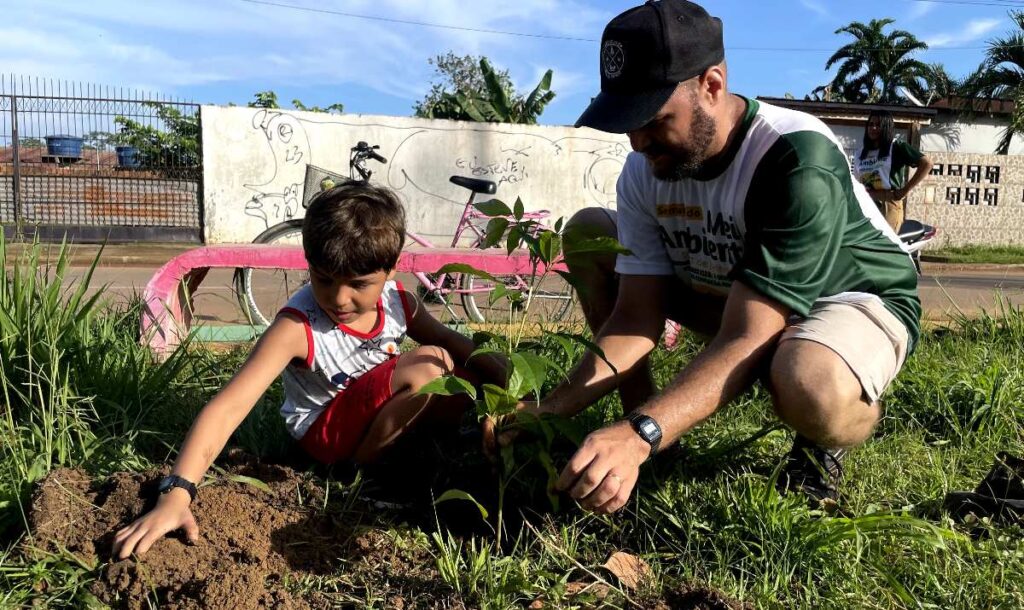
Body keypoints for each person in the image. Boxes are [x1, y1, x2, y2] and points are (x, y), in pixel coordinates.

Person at [502, 0, 921, 512]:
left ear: (713, 85)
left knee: (807, 380)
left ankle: (827, 434)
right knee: (591, 232)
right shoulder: (644, 172)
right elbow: (634, 318)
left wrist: (640, 435)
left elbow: (749, 334)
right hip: (739, 293)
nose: (637, 142)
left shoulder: (793, 159)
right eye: (628, 123)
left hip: (849, 298)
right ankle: (648, 434)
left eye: (654, 120)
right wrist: (547, 409)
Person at [112, 181, 504, 559]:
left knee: (461, 380)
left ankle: (432, 458)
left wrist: (516, 393)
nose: (339, 297)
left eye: (358, 283)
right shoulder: (297, 326)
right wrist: (176, 492)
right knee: (431, 365)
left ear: (392, 270)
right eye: (324, 279)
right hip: (328, 436)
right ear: (309, 263)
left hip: (374, 414)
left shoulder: (399, 302)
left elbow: (460, 345)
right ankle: (369, 478)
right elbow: (229, 407)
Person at [854, 109, 934, 233]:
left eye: (878, 125)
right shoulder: (860, 153)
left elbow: (927, 163)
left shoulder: (896, 146)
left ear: (886, 127)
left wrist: (904, 190)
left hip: (888, 202)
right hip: (866, 201)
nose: (873, 128)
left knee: (883, 244)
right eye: (871, 124)